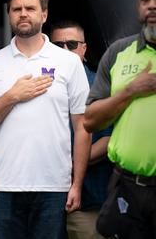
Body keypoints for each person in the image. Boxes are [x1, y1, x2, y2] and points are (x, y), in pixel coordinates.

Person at [0, 0, 91, 239]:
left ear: (44, 14)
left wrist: (77, 184)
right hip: (4, 187)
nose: (23, 13)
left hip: (53, 186)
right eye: (16, 9)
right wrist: (12, 96)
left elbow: (82, 127)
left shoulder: (68, 62)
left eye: (30, 8)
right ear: (9, 15)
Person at [84, 0, 156, 239]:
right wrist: (132, 90)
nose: (151, 6)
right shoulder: (118, 52)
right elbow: (90, 121)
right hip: (127, 187)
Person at [50, 20, 113, 239]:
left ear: (84, 49)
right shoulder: (37, 87)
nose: (65, 50)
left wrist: (66, 168)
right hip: (43, 203)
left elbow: (107, 142)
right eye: (58, 45)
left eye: (72, 44)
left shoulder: (101, 87)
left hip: (88, 202)